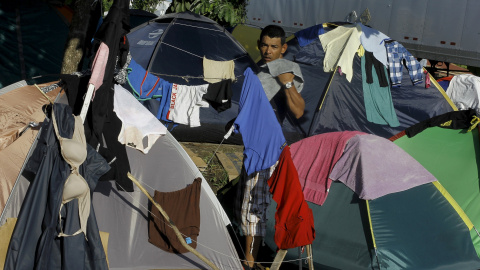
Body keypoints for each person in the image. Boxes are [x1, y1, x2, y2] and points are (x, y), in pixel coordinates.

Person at [237, 25, 305, 270]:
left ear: (283, 48)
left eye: (274, 46)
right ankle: (249, 255)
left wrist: (287, 84)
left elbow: (298, 110)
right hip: (252, 146)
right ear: (258, 44)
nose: (268, 50)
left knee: (254, 205)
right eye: (264, 45)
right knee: (245, 203)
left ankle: (249, 262)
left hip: (270, 150)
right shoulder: (256, 69)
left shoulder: (289, 70)